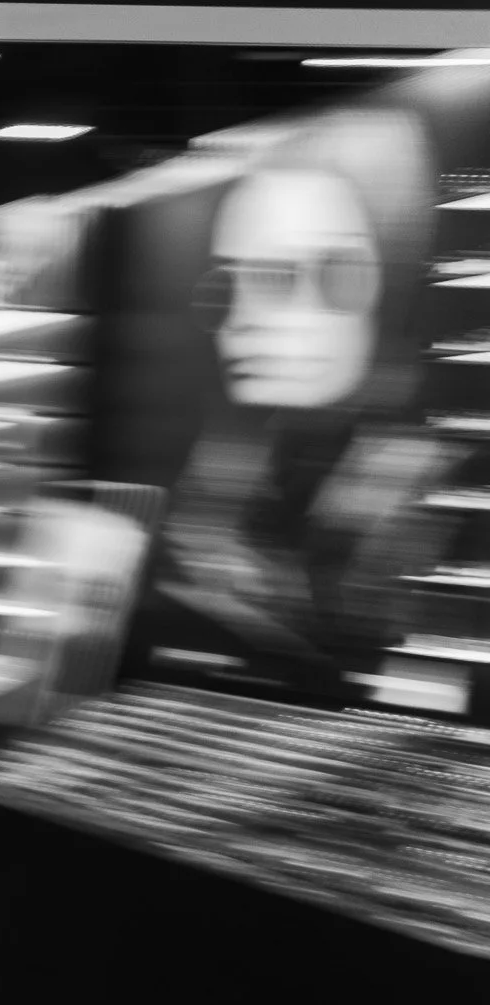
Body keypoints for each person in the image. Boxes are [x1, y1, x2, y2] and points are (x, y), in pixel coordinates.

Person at [137, 105, 456, 700]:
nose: (241, 319)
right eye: (229, 282)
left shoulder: (420, 489)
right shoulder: (235, 476)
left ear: (381, 282)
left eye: (286, 278)